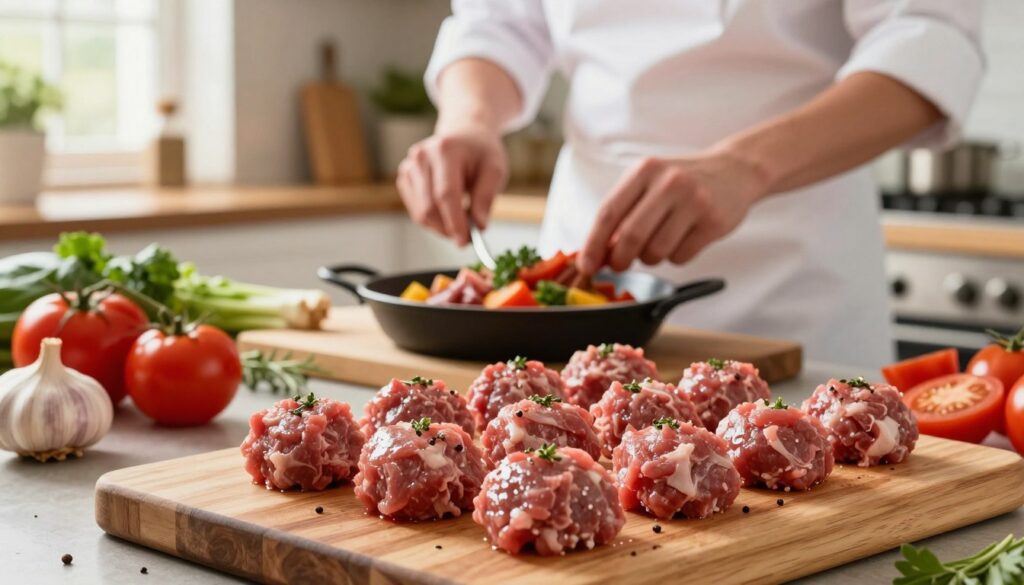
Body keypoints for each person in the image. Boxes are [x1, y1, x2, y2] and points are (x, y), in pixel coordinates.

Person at [396, 1, 983, 367]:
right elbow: (498, 23)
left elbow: (928, 39)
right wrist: (469, 121)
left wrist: (746, 166)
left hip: (795, 283)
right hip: (586, 277)